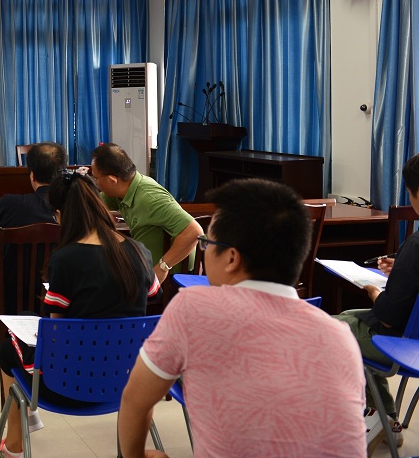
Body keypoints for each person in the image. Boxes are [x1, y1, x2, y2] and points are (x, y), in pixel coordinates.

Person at [118, 178, 366, 458]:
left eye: (206, 243)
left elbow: (135, 399)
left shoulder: (194, 308)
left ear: (232, 258)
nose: (205, 250)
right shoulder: (341, 336)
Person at [0, 168, 157, 458]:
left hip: (67, 385)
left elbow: (57, 331)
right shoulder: (139, 251)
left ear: (62, 215)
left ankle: (14, 445)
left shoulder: (65, 259)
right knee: (30, 316)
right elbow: (150, 300)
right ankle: (27, 423)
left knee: (7, 348)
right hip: (126, 381)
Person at [0, 142, 66, 378]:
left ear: (32, 175)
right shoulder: (73, 207)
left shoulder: (10, 203)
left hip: (4, 294)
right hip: (52, 296)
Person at [334, 153, 419, 450]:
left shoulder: (417, 244)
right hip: (413, 332)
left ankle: (378, 417)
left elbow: (387, 317)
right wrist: (403, 269)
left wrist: (373, 290)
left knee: (335, 329)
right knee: (350, 316)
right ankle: (385, 417)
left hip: (405, 342)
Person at [90, 142, 202, 286]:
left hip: (170, 277)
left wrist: (163, 267)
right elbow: (93, 204)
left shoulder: (150, 198)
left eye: (96, 178)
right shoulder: (124, 189)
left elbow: (194, 232)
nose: (96, 183)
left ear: (112, 180)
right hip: (143, 265)